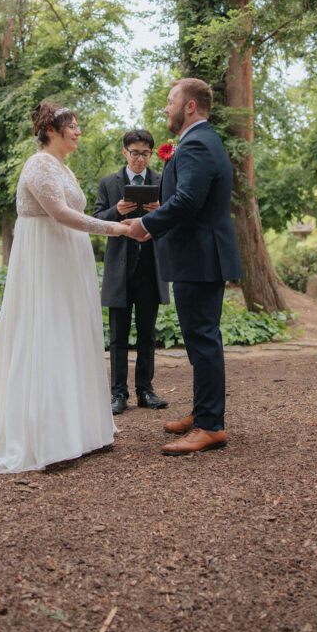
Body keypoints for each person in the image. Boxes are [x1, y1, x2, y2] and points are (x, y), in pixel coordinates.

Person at [0, 102, 131, 475]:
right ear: (51, 130)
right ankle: (48, 436)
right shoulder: (38, 164)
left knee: (72, 334)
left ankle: (80, 431)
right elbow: (61, 214)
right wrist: (117, 228)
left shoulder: (62, 167)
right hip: (47, 260)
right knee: (47, 333)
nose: (78, 131)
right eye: (72, 125)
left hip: (68, 258)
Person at [126, 79, 243, 455]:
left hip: (200, 256)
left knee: (204, 339)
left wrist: (146, 224)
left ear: (190, 106)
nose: (166, 108)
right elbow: (191, 199)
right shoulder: (202, 141)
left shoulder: (195, 144)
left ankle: (211, 426)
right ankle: (203, 411)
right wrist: (161, 216)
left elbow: (189, 200)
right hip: (200, 254)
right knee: (199, 338)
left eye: (171, 101)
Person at [92, 129, 170, 416]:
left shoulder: (162, 181)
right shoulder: (108, 183)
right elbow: (96, 220)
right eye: (135, 153)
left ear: (151, 154)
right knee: (118, 337)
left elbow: (173, 219)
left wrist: (161, 209)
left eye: (145, 154)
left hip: (151, 268)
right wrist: (117, 209)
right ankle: (118, 394)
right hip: (119, 270)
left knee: (147, 335)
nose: (140, 159)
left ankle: (145, 391)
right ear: (125, 152)